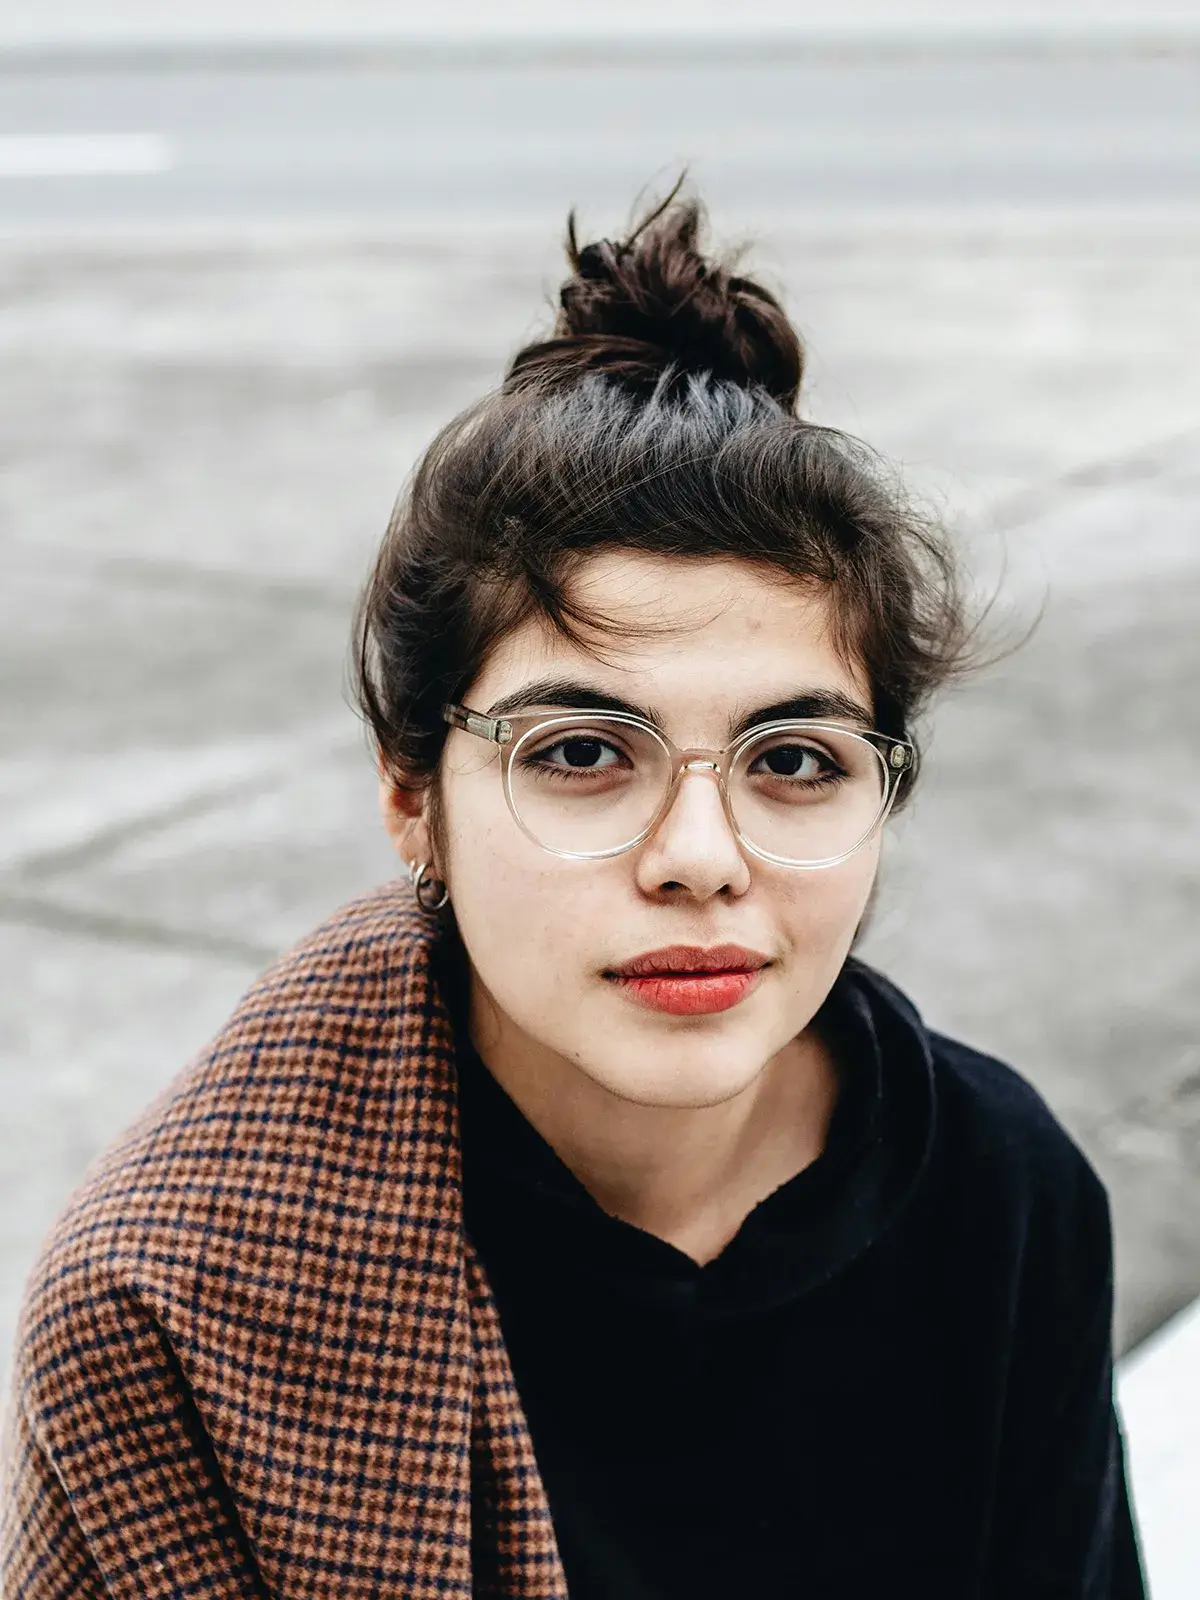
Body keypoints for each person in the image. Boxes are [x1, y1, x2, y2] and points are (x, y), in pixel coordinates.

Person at [1, 188, 1146, 1600]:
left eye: (794, 757)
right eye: (586, 753)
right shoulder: (175, 1300)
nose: (701, 856)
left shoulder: (997, 1187)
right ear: (412, 794)